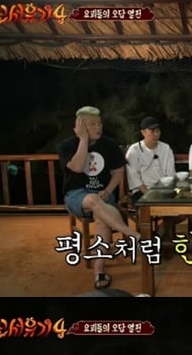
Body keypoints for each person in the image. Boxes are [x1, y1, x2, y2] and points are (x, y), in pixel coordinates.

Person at [57, 106, 140, 291]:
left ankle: (99, 271)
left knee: (102, 220)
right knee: (93, 200)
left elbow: (118, 170)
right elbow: (78, 167)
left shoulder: (109, 144)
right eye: (92, 124)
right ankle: (131, 233)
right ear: (80, 126)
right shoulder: (66, 146)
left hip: (104, 194)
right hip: (76, 195)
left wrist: (109, 190)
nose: (98, 127)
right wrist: (83, 140)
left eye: (99, 123)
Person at [125, 116, 176, 202]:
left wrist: (165, 189)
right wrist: (148, 193)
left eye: (158, 131)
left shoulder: (166, 148)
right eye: (152, 131)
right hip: (142, 190)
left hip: (163, 189)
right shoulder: (134, 150)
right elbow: (134, 177)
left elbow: (170, 173)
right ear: (143, 132)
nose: (156, 134)